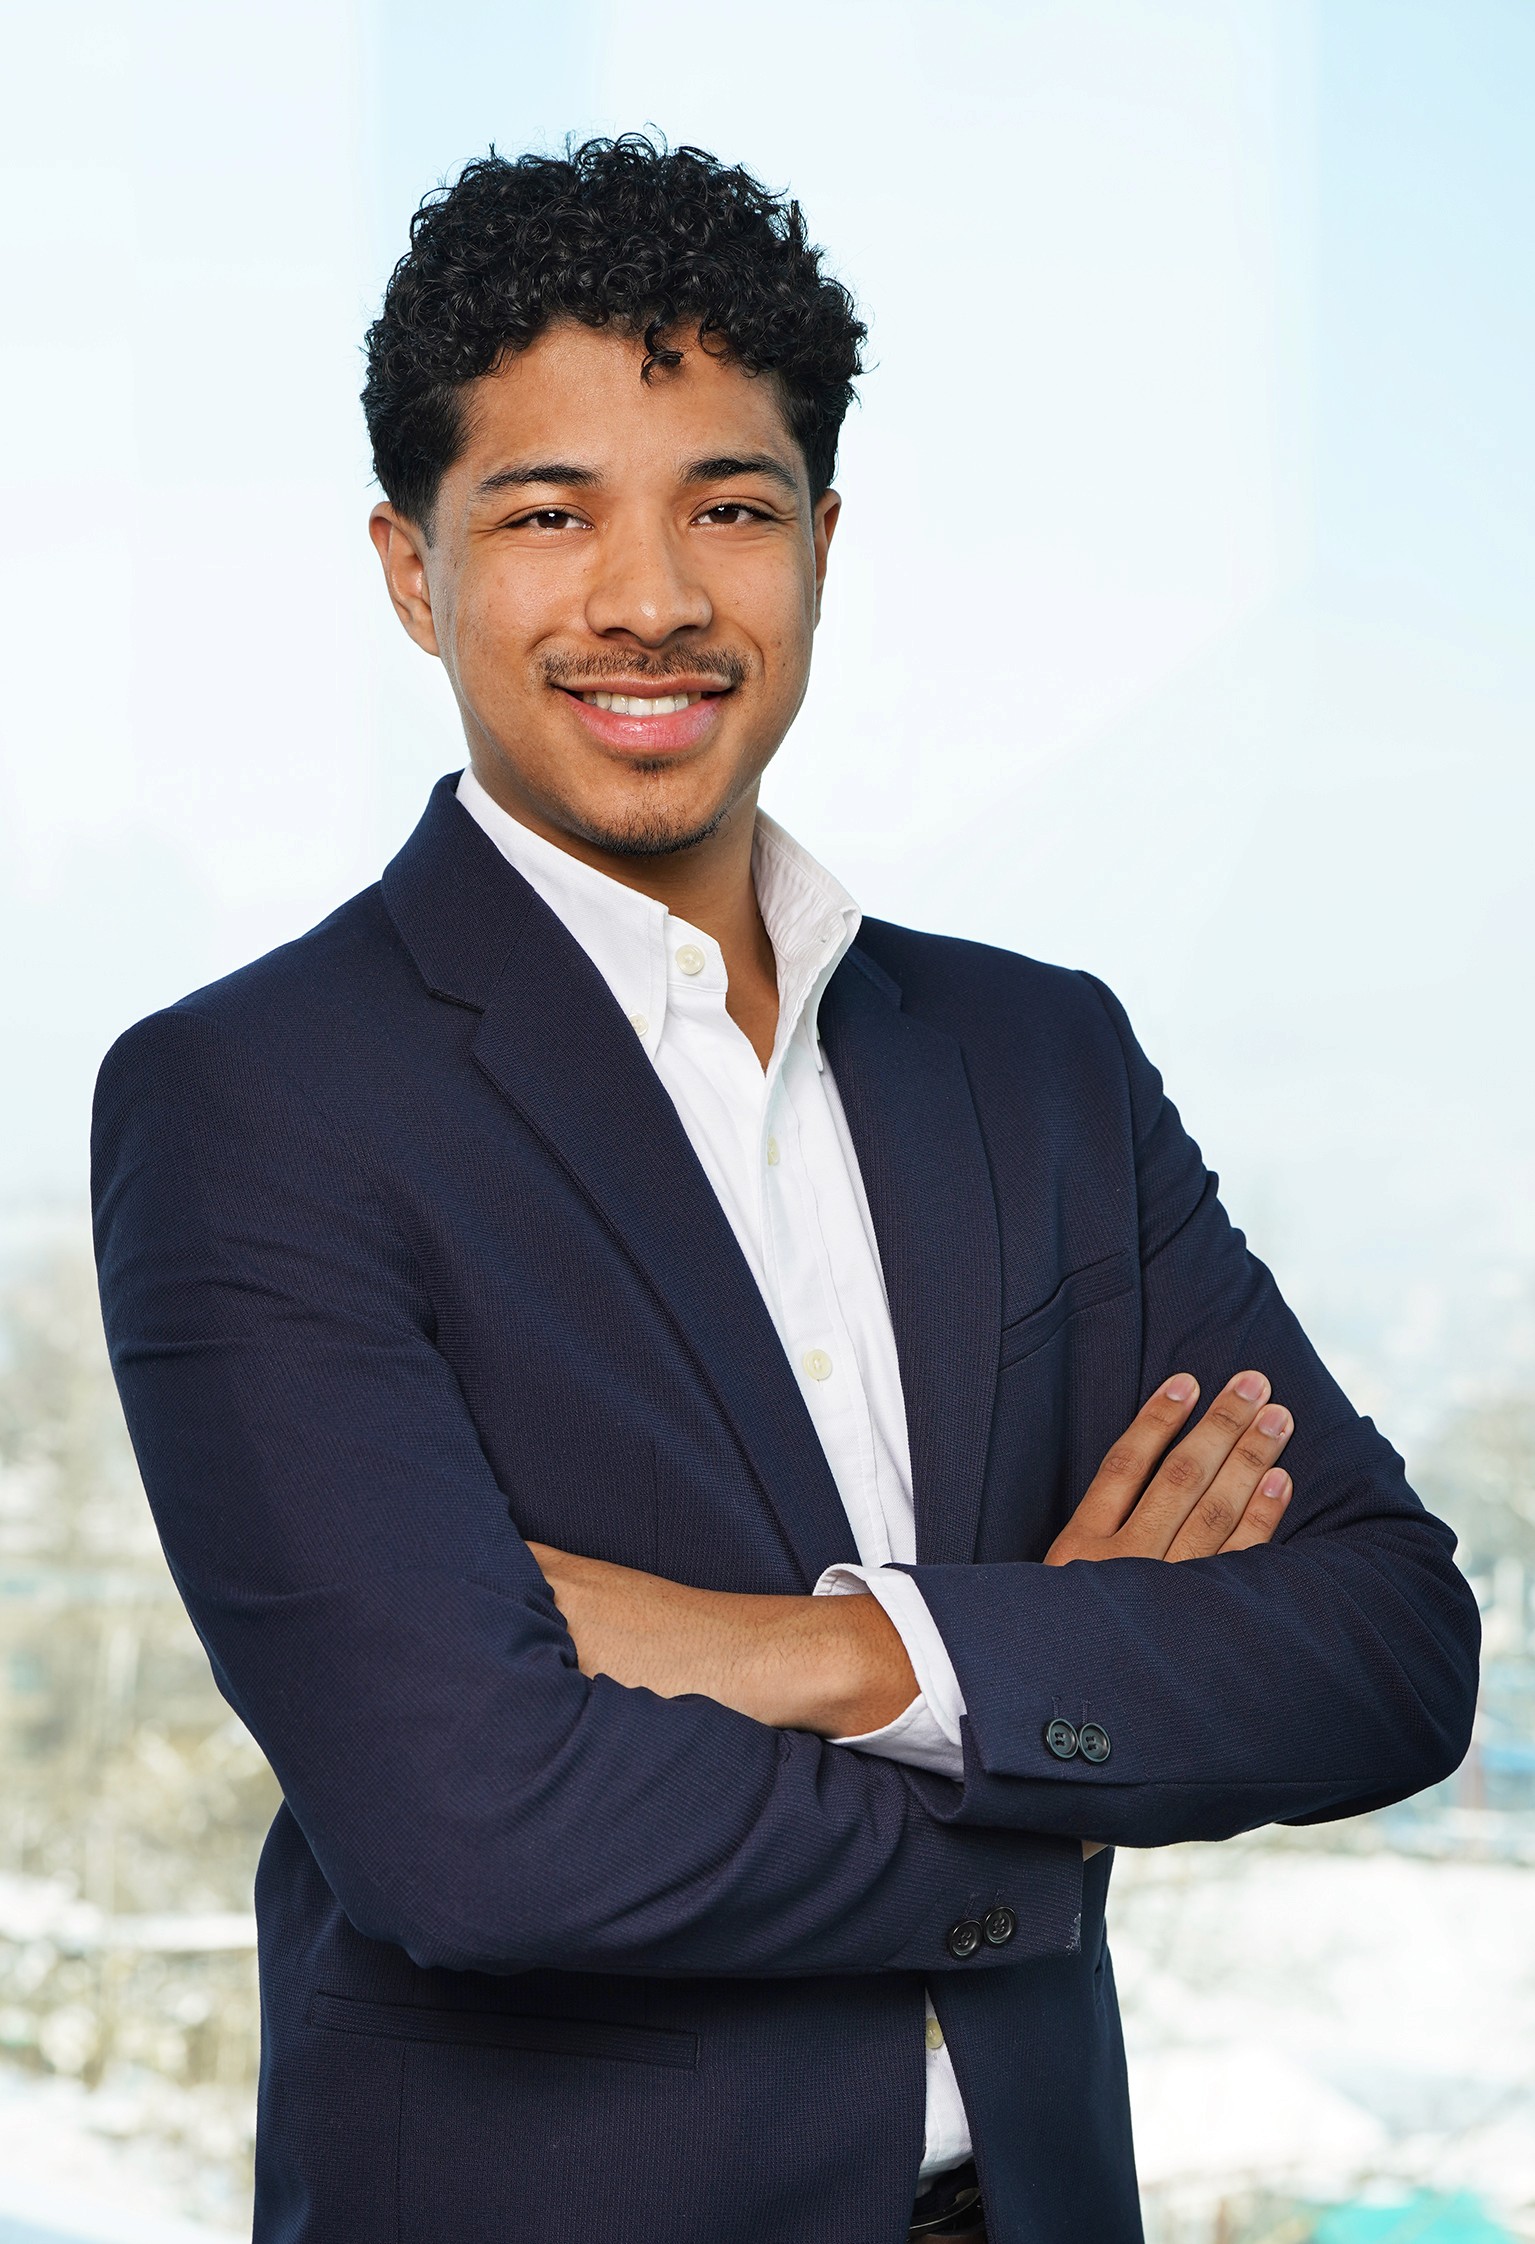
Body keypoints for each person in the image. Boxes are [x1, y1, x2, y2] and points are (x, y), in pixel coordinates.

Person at [91, 137, 1479, 2244]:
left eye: (729, 508)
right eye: (548, 514)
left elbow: (1387, 1642)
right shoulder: (255, 1100)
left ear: (822, 545)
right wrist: (1053, 1739)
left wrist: (837, 1657)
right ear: (412, 571)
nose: (651, 598)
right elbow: (472, 1829)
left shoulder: (1037, 1061)